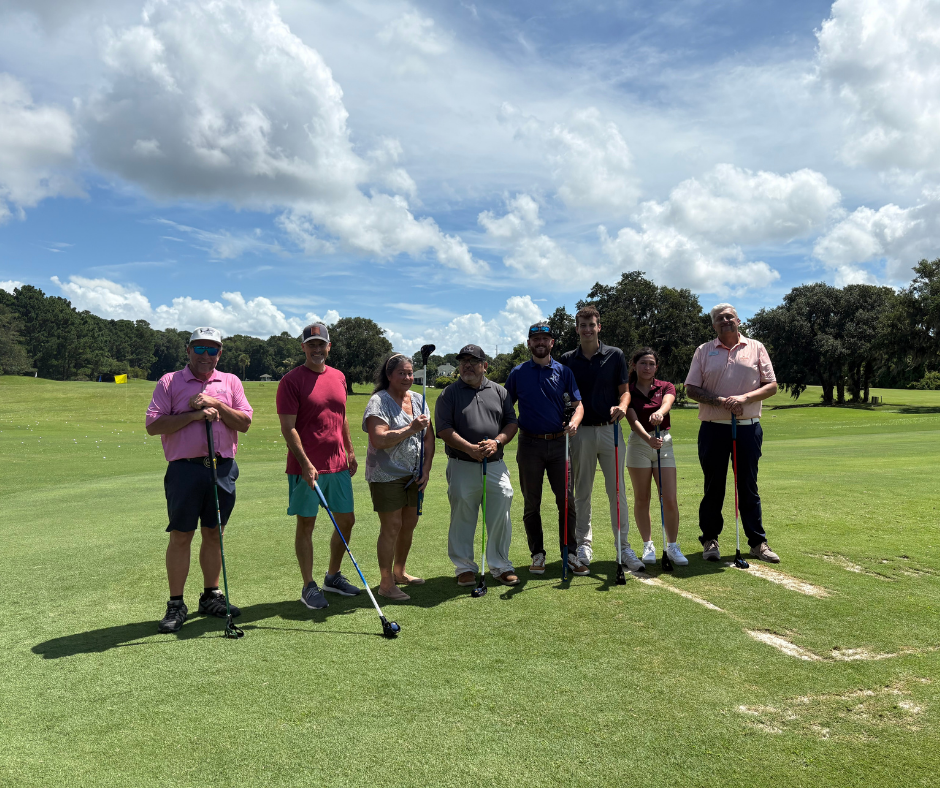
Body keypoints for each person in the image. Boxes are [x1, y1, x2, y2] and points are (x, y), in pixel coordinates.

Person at [145, 327, 253, 633]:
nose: (206, 356)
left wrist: (217, 404)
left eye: (212, 350)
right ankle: (176, 603)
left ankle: (211, 594)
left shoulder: (230, 381)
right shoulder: (170, 381)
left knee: (214, 533)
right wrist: (193, 415)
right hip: (185, 470)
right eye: (200, 349)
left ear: (220, 353)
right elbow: (154, 426)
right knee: (181, 534)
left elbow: (244, 423)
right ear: (188, 350)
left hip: (222, 468)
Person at [685, 304, 780, 562]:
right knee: (713, 487)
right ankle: (710, 540)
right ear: (714, 325)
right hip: (714, 430)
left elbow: (771, 385)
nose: (725, 321)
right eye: (719, 319)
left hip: (748, 429)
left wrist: (744, 398)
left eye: (729, 317)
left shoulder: (756, 347)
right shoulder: (703, 351)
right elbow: (691, 389)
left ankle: (757, 543)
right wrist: (721, 401)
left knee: (748, 486)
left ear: (738, 320)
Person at [277, 322, 361, 610]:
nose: (316, 349)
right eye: (310, 344)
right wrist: (305, 462)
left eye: (320, 343)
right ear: (303, 347)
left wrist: (350, 451)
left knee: (346, 521)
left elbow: (342, 417)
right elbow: (288, 428)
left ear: (329, 347)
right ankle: (308, 585)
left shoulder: (339, 377)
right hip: (307, 468)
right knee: (307, 524)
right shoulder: (291, 381)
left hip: (338, 465)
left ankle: (333, 576)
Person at [560, 306, 645, 572]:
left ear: (599, 327)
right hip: (580, 432)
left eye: (592, 324)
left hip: (610, 430)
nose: (587, 329)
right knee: (582, 491)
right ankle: (584, 545)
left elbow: (626, 392)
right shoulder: (567, 359)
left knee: (616, 491)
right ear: (577, 329)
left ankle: (623, 546)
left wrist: (622, 406)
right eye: (583, 325)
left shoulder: (615, 355)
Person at [435, 344, 520, 587]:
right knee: (462, 515)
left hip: (494, 463)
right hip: (462, 463)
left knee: (501, 508)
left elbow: (511, 423)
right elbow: (443, 429)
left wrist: (497, 441)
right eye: (463, 362)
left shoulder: (499, 391)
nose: (467, 366)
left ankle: (501, 565)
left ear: (484, 365)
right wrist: (469, 449)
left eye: (473, 361)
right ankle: (464, 567)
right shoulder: (449, 393)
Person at [505, 321, 584, 576]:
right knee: (532, 503)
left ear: (552, 343)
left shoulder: (564, 372)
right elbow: (506, 408)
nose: (540, 343)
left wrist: (574, 421)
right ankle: (537, 554)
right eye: (535, 339)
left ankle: (569, 553)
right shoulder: (518, 373)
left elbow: (578, 404)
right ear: (529, 343)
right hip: (529, 444)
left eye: (545, 339)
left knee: (567, 502)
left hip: (560, 443)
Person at [362, 353, 435, 601]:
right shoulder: (378, 401)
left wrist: (426, 468)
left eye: (410, 372)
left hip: (414, 474)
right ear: (390, 375)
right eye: (401, 373)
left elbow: (429, 438)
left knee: (408, 525)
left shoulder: (419, 399)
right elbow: (379, 439)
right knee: (391, 526)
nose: (407, 377)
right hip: (386, 474)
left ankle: (400, 572)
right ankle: (385, 583)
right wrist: (411, 428)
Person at [624, 347, 688, 566]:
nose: (647, 367)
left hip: (664, 443)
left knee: (669, 498)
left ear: (656, 367)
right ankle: (648, 544)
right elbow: (632, 420)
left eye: (651, 364)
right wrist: (647, 438)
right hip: (639, 444)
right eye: (643, 363)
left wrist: (660, 412)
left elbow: (668, 402)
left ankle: (672, 546)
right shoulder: (628, 390)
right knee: (642, 498)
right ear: (634, 365)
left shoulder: (665, 386)